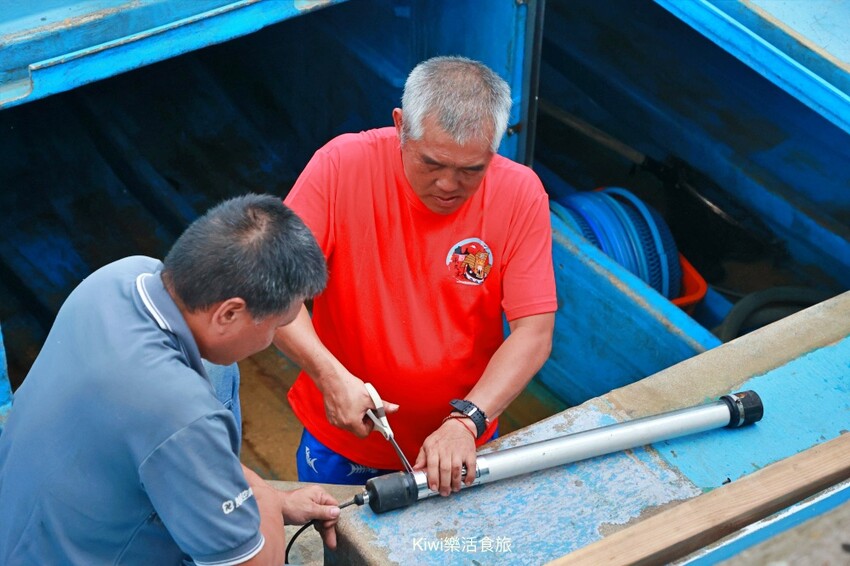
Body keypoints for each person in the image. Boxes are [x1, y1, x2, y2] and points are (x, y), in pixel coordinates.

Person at [0, 194, 340, 565]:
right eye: (276, 325)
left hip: (20, 529)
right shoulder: (180, 411)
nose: (272, 339)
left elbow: (180, 438)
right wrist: (264, 501)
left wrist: (251, 493)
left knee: (217, 372)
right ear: (229, 314)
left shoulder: (120, 276)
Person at [275, 56, 557, 496]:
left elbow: (533, 331)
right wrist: (328, 375)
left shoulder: (520, 194)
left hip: (462, 442)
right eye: (432, 163)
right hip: (346, 442)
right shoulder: (340, 166)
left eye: (471, 170)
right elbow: (273, 291)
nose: (448, 185)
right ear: (400, 125)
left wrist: (468, 419)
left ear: (495, 150)